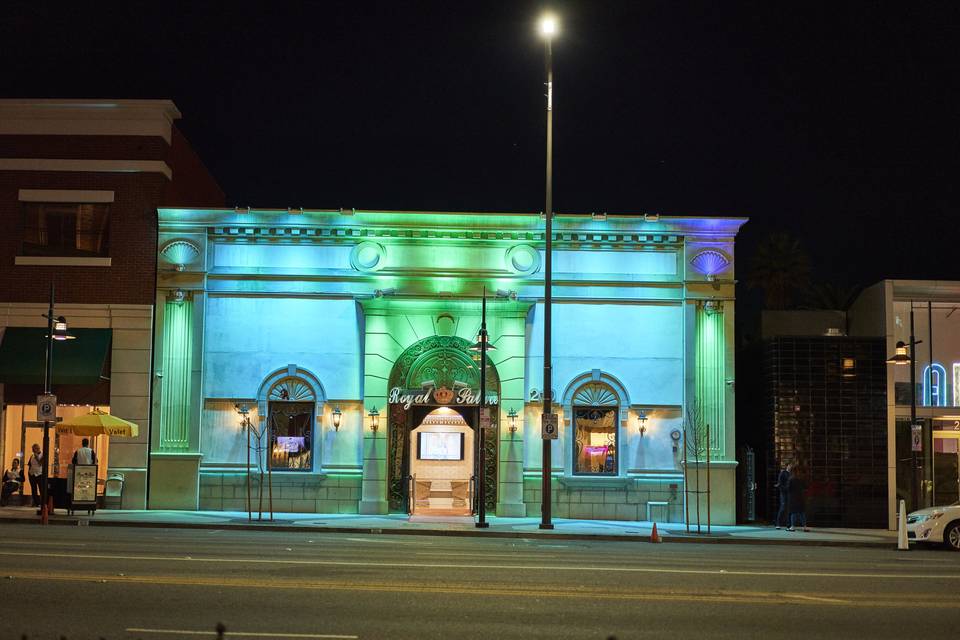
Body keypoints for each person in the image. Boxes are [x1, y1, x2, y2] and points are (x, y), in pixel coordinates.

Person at [787, 467, 809, 532]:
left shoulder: (791, 479)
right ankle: (805, 527)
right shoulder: (801, 479)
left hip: (793, 498)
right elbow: (806, 487)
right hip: (801, 497)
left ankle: (792, 527)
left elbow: (788, 489)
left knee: (794, 513)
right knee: (802, 513)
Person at [774, 462, 792, 529]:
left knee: (789, 509)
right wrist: (785, 489)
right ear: (787, 466)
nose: (791, 467)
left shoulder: (792, 474)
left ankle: (788, 525)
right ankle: (778, 523)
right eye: (790, 465)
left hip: (790, 494)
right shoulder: (783, 473)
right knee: (783, 508)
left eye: (792, 466)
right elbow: (780, 484)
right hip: (784, 493)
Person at [27, 444, 43, 508]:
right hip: (32, 474)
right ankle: (36, 503)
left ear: (38, 448)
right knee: (33, 489)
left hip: (39, 474)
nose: (33, 450)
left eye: (34, 449)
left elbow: (40, 464)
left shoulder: (42, 455)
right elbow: (29, 464)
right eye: (32, 449)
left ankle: (42, 503)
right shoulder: (32, 456)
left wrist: (37, 457)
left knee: (41, 489)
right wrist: (29, 472)